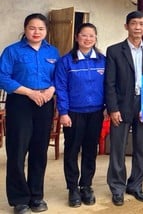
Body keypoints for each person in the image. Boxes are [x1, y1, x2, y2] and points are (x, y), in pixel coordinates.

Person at [0, 13, 59, 214]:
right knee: (17, 151)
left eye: (41, 29)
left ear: (46, 31)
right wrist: (30, 92)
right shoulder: (12, 51)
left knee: (39, 151)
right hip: (20, 103)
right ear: (25, 29)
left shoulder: (52, 51)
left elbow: (58, 77)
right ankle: (19, 200)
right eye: (32, 28)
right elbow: (3, 77)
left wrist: (51, 90)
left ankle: (36, 196)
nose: (36, 32)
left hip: (45, 103)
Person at [104, 11, 143, 206]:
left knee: (140, 147)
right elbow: (109, 83)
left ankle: (136, 185)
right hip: (121, 105)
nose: (137, 27)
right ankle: (117, 187)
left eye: (141, 24)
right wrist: (112, 108)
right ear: (126, 26)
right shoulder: (114, 51)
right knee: (118, 147)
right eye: (133, 24)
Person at [54, 23, 105, 208]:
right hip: (74, 113)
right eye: (84, 35)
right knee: (72, 150)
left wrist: (107, 107)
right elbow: (60, 88)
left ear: (96, 38)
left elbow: (108, 85)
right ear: (77, 37)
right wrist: (64, 112)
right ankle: (73, 188)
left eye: (92, 36)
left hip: (96, 112)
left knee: (90, 151)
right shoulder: (66, 61)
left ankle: (86, 186)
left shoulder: (102, 60)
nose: (88, 39)